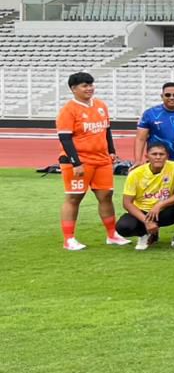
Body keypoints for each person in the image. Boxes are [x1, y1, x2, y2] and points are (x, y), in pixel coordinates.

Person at [57, 72, 128, 250]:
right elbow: (65, 138)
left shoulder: (101, 105)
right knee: (74, 198)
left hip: (102, 160)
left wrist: (111, 151)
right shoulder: (68, 110)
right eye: (84, 85)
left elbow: (107, 130)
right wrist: (76, 163)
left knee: (106, 196)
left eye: (91, 84)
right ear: (73, 89)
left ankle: (112, 235)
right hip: (80, 161)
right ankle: (69, 239)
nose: (89, 88)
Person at [117, 142, 174, 251]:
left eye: (161, 154)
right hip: (144, 212)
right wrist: (147, 221)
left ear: (167, 156)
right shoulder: (135, 174)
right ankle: (145, 234)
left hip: (165, 211)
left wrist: (160, 205)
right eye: (154, 154)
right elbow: (127, 203)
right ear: (147, 156)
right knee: (123, 227)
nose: (158, 157)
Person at [134, 82, 174, 165]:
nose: (171, 97)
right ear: (162, 96)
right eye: (167, 95)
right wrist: (138, 160)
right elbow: (140, 139)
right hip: (157, 163)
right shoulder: (150, 114)